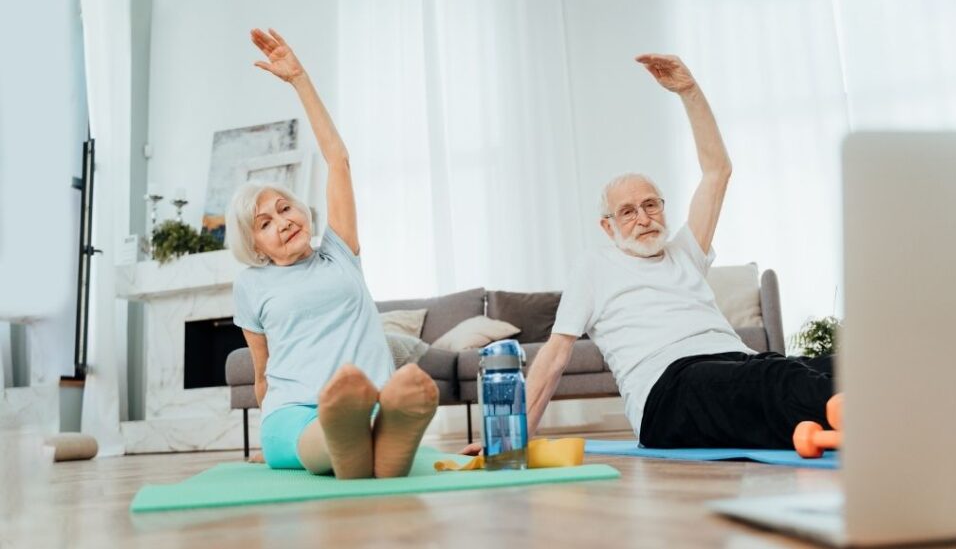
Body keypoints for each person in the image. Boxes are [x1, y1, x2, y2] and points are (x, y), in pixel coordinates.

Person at [464, 54, 835, 454]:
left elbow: (717, 173)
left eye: (651, 205)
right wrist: (508, 442)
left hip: (742, 364)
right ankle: (871, 416)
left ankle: (878, 408)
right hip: (670, 391)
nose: (643, 218)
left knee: (830, 367)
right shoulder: (595, 266)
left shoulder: (684, 251)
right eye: (628, 211)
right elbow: (555, 356)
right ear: (608, 226)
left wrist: (689, 92)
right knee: (776, 383)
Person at [227, 28, 438, 478]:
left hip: (370, 400)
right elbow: (262, 374)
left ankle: (366, 438)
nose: (283, 221)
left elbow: (337, 159)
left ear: (302, 210)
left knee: (372, 415)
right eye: (265, 223)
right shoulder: (252, 284)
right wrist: (273, 442)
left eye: (285, 208)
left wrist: (300, 80)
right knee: (333, 429)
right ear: (255, 245)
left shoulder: (338, 253)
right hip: (294, 413)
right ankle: (358, 441)